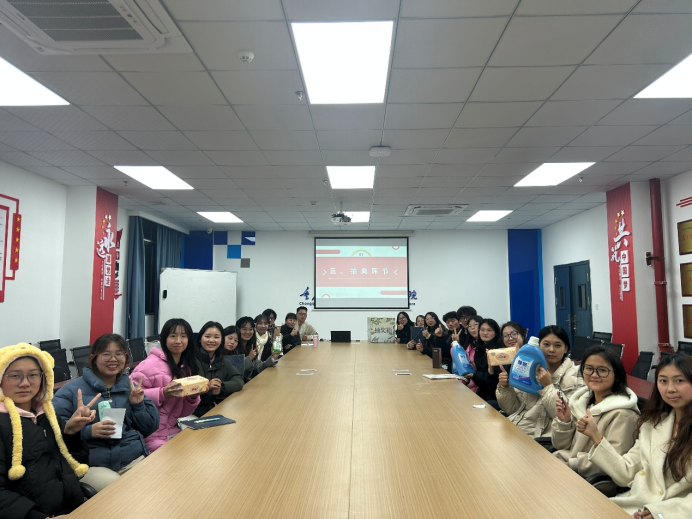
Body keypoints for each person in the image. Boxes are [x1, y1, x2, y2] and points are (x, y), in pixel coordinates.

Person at [585, 354, 692, 518]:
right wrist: (596, 436)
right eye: (663, 381)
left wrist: (662, 513)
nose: (670, 388)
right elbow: (626, 473)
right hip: (633, 507)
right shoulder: (653, 425)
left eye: (679, 381)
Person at [53, 334, 159, 492]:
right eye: (106, 354)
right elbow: (54, 429)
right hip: (91, 463)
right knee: (121, 491)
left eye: (119, 353)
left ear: (126, 357)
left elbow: (150, 427)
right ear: (94, 358)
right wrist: (88, 431)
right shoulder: (71, 390)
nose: (113, 359)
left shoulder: (130, 387)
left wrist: (138, 405)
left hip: (131, 458)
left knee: (160, 486)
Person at [0, 343, 93, 519]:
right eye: (15, 376)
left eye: (33, 375)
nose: (25, 383)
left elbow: (77, 463)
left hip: (73, 507)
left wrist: (71, 434)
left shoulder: (47, 415)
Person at [552, 345, 639, 477]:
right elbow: (560, 445)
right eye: (589, 368)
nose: (594, 375)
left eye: (602, 370)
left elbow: (615, 463)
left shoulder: (623, 415)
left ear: (617, 375)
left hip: (588, 478)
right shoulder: (581, 403)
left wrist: (573, 464)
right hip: (566, 465)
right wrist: (565, 422)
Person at [496, 324, 582, 438]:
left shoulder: (576, 375)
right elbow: (512, 409)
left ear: (565, 348)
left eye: (557, 345)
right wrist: (505, 388)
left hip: (542, 438)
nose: (551, 350)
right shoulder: (529, 369)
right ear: (538, 346)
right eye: (546, 344)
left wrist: (548, 387)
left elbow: (567, 418)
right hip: (517, 427)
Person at [131, 318, 200, 452]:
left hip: (170, 430)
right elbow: (130, 396)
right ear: (164, 339)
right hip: (148, 434)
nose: (178, 341)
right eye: (173, 336)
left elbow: (182, 413)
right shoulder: (149, 365)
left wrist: (192, 397)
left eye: (183, 336)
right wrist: (162, 394)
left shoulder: (185, 368)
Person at [194, 322, 244, 417]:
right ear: (200, 339)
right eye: (207, 336)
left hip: (215, 409)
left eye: (216, 337)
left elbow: (238, 380)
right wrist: (206, 386)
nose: (211, 340)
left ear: (221, 341)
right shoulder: (191, 360)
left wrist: (221, 388)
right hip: (193, 412)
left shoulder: (223, 361)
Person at [237, 316, 278, 380]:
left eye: (250, 329)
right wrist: (249, 358)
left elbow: (259, 367)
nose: (248, 332)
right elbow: (236, 370)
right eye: (244, 329)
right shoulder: (234, 348)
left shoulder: (251, 346)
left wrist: (273, 357)